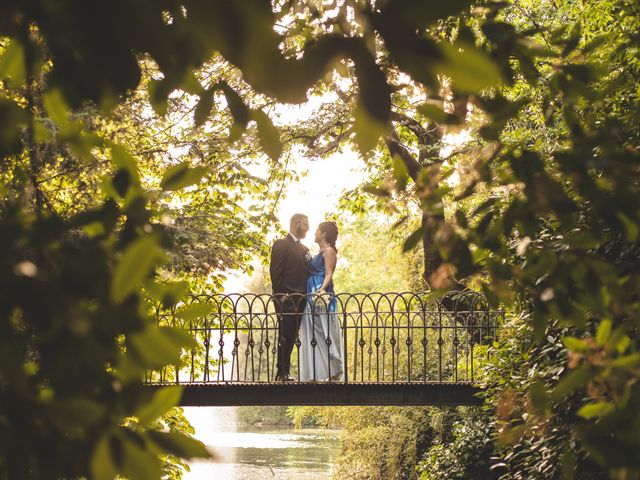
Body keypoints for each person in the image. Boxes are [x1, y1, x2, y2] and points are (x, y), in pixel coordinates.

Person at [299, 221, 344, 381]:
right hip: (311, 293)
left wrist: (321, 291)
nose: (314, 233)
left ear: (323, 234)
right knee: (314, 334)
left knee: (325, 331)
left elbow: (329, 274)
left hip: (320, 293)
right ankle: (317, 373)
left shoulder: (329, 251)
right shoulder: (318, 252)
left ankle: (335, 371)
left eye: (317, 231)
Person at [269, 213, 310, 381]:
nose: (308, 228)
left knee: (292, 335)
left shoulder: (305, 249)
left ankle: (285, 371)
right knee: (285, 334)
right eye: (305, 224)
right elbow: (275, 272)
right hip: (286, 299)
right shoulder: (281, 244)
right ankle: (282, 372)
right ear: (296, 223)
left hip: (301, 300)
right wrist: (282, 296)